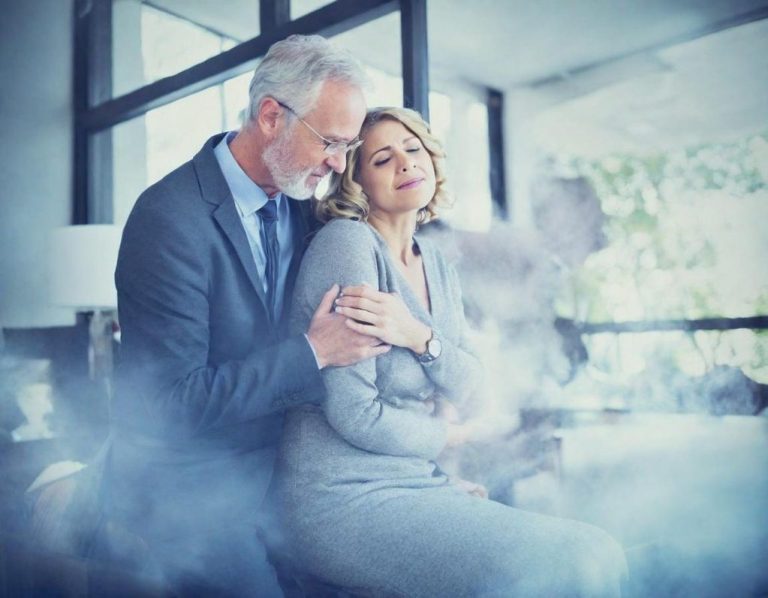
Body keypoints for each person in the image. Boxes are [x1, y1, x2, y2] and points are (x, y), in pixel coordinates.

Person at [274, 107, 629, 597]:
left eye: (413, 149)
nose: (404, 162)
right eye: (382, 159)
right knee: (574, 563)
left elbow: (474, 386)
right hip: (341, 498)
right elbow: (354, 413)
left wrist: (418, 336)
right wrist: (452, 436)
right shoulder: (348, 244)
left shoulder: (437, 263)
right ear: (357, 184)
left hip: (412, 481)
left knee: (602, 550)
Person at [104, 35, 399, 596]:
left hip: (289, 475)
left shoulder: (306, 204)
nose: (340, 165)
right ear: (270, 116)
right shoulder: (168, 219)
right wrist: (314, 353)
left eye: (349, 146)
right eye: (331, 143)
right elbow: (169, 405)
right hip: (190, 491)